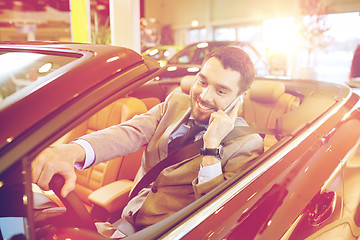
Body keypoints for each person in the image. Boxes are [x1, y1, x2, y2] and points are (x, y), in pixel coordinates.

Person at [32, 46, 264, 238]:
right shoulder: (175, 102)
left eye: (221, 91)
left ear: (239, 99)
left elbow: (215, 212)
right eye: (202, 81)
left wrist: (211, 147)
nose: (204, 96)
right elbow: (128, 133)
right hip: (125, 222)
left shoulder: (247, 144)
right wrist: (72, 151)